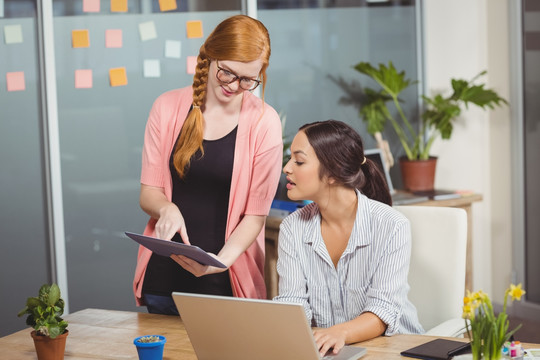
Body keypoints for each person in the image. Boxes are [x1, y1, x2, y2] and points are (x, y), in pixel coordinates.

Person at [132, 14, 283, 315]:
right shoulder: (166, 107)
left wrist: (220, 264)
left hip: (226, 282)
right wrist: (167, 208)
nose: (235, 85)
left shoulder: (265, 122)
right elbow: (148, 194)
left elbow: (254, 218)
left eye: (247, 79)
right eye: (227, 72)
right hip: (163, 279)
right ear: (210, 56)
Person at [274, 120, 423, 355]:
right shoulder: (293, 228)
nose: (287, 168)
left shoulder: (392, 225)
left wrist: (339, 332)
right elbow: (293, 305)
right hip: (331, 351)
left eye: (299, 161)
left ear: (333, 173)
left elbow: (382, 310)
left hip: (395, 349)